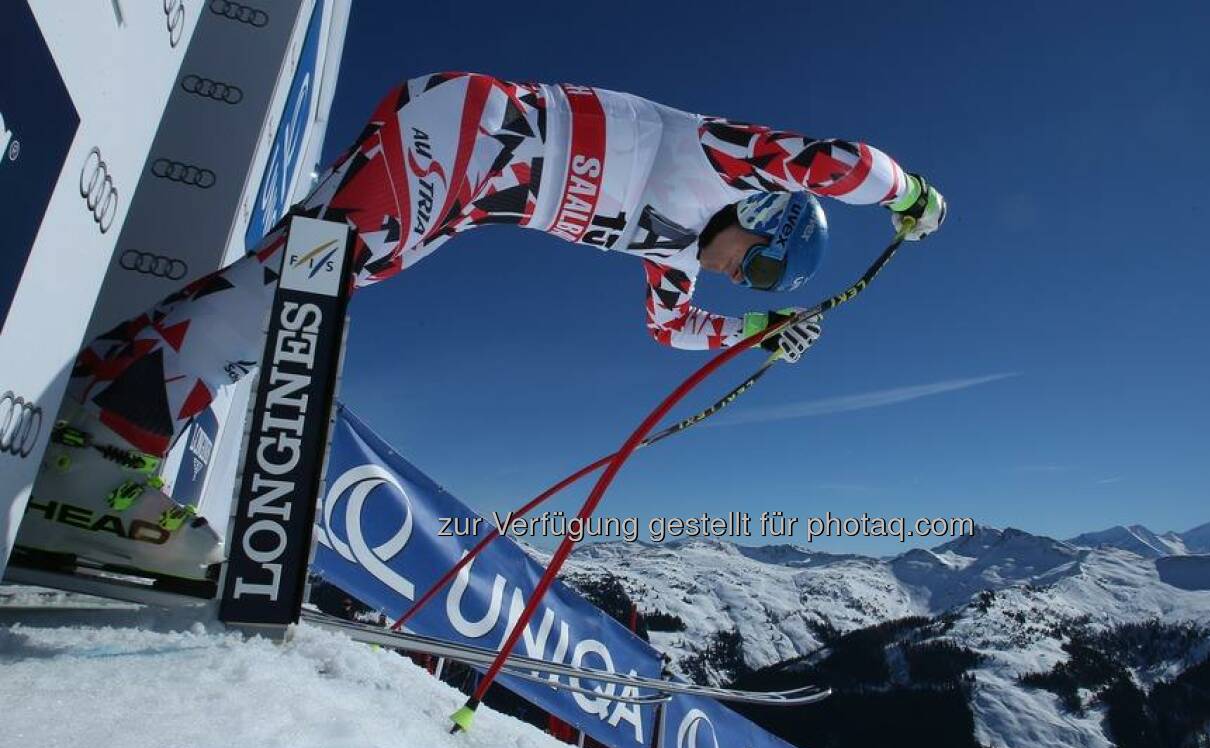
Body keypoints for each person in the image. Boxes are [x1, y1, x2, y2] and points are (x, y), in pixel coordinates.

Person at [68, 72, 946, 460]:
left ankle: (110, 383)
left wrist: (757, 328)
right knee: (308, 285)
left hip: (463, 191)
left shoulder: (678, 251)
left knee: (295, 274)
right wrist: (907, 196)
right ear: (768, 216)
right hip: (466, 134)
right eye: (759, 272)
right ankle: (117, 446)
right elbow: (835, 159)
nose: (736, 279)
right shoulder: (727, 159)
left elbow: (669, 328)